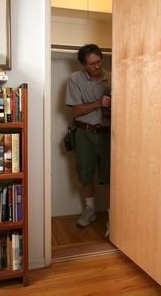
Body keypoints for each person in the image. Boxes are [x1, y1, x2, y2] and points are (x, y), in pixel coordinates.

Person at [66, 44, 111, 234]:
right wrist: (99, 103)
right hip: (84, 134)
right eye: (92, 64)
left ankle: (113, 216)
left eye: (99, 61)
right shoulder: (74, 79)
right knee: (85, 175)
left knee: (111, 177)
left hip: (109, 134)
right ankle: (90, 210)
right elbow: (76, 110)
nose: (96, 66)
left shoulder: (113, 77)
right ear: (84, 65)